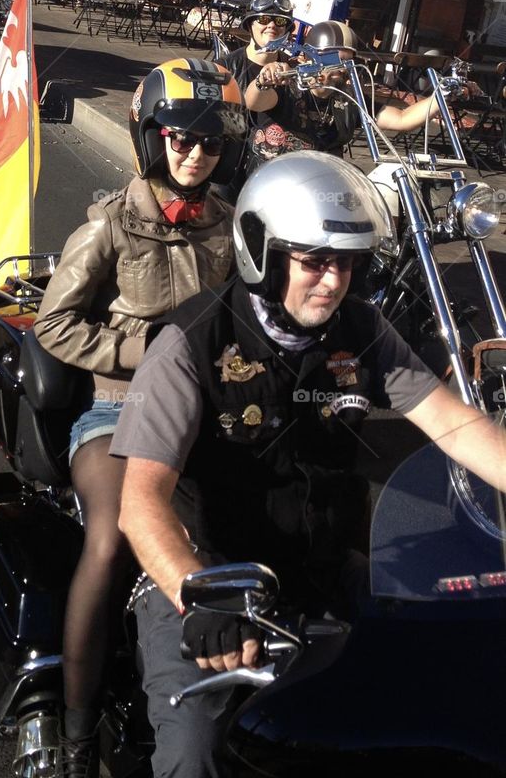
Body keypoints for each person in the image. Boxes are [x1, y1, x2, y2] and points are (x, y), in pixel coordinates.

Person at [112, 150, 506, 778]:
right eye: (315, 260)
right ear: (260, 250)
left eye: (347, 262)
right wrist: (199, 599)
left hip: (323, 567)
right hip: (214, 579)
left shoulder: (363, 330)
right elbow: (140, 502)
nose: (333, 280)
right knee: (193, 753)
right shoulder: (191, 344)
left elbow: (455, 424)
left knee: (437, 681)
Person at [34, 59, 247, 778]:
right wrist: (138, 349)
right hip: (116, 413)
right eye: (179, 138)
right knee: (108, 539)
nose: (194, 154)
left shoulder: (228, 226)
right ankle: (76, 729)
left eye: (209, 143)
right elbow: (53, 325)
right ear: (151, 137)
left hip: (204, 416)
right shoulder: (107, 228)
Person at [245, 19, 473, 170]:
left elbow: (402, 119)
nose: (342, 68)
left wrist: (442, 94)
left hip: (322, 185)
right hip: (272, 179)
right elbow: (254, 102)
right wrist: (264, 81)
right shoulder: (287, 84)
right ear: (308, 58)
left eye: (348, 61)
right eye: (333, 59)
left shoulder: (349, 98)